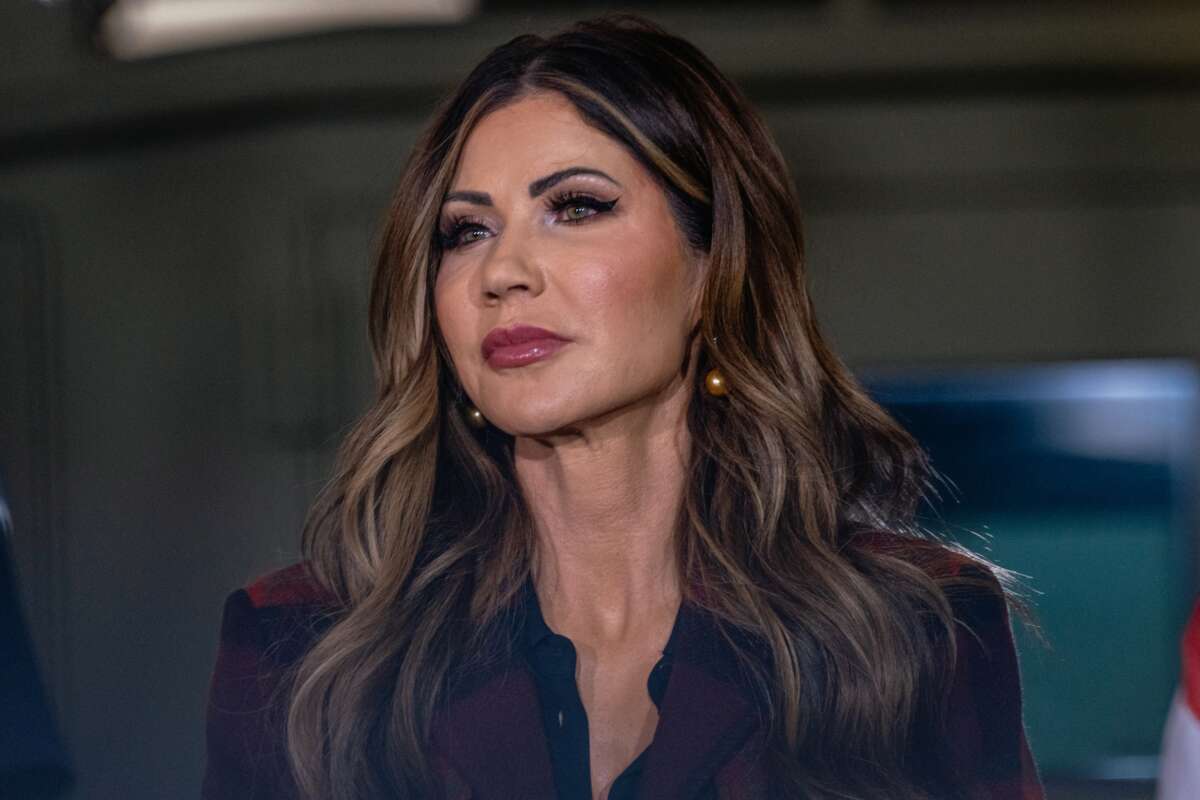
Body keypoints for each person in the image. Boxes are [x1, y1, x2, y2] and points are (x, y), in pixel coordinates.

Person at [203, 15, 1043, 800]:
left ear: (713, 270)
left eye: (575, 207)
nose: (503, 272)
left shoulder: (914, 630)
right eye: (466, 232)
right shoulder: (301, 646)